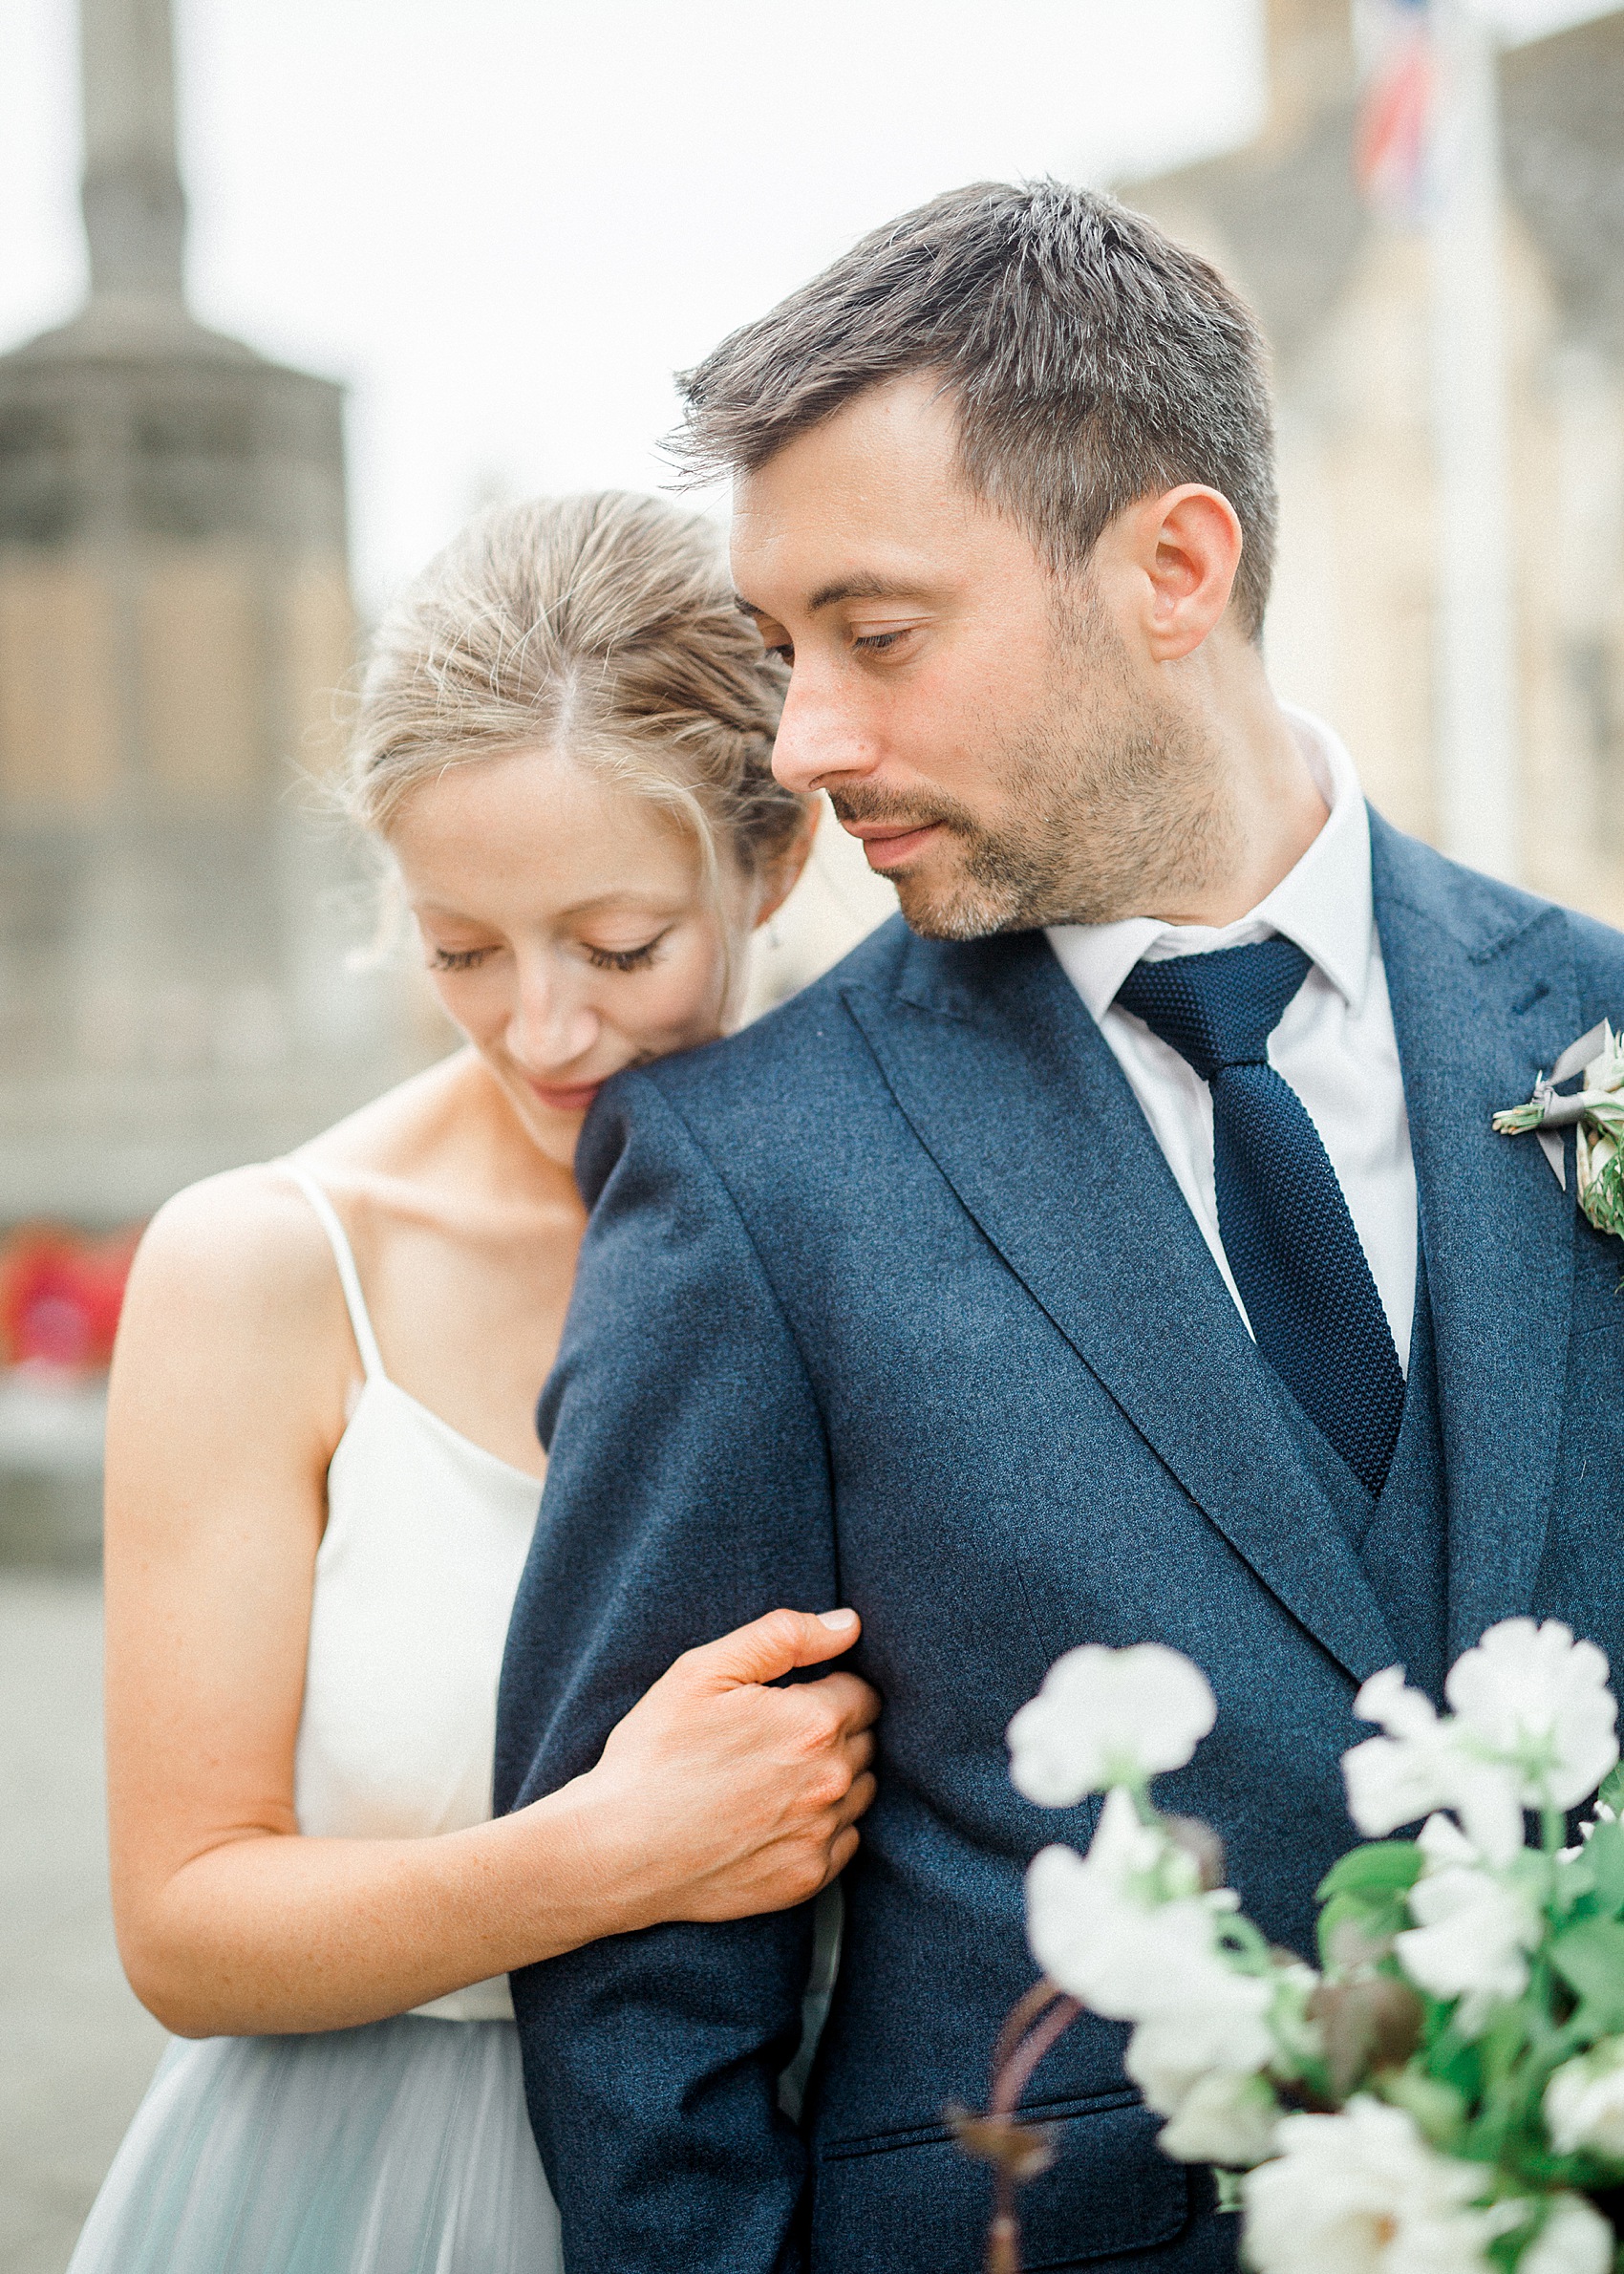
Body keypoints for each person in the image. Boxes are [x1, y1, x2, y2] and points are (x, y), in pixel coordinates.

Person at [494, 181, 1624, 2274]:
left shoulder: (1604, 1026)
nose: (801, 738)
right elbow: (647, 1987)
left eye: (877, 631)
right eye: (780, 649)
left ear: (1173, 567)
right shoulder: (747, 1169)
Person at [71, 491, 880, 2274]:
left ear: (770, 856)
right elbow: (186, 1929)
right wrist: (611, 1852)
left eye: (618, 947)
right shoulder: (262, 1269)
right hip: (360, 2190)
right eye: (462, 950)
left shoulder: (901, 1204)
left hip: (844, 2171)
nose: (543, 1029)